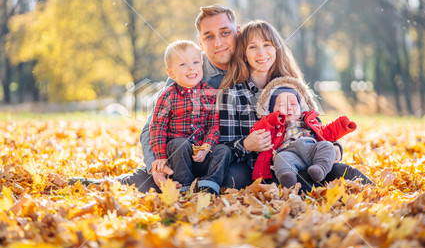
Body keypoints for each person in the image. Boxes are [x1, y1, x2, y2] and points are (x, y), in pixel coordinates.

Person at [70, 5, 251, 192]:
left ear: (237, 32)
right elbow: (152, 126)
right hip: (180, 154)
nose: (218, 42)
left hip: (220, 157)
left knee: (238, 178)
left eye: (225, 33)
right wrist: (155, 165)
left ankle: (205, 188)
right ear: (200, 42)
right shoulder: (184, 70)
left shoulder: (252, 64)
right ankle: (88, 185)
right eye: (209, 36)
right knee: (143, 183)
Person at [218, 19, 373, 193]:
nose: (261, 52)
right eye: (252, 47)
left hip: (307, 157)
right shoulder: (232, 94)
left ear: (277, 48)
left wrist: (335, 148)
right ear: (244, 54)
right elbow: (223, 147)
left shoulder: (291, 86)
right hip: (266, 166)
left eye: (267, 44)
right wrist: (246, 144)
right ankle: (303, 187)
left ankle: (376, 194)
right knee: (234, 178)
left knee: (343, 172)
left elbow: (315, 127)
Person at [149, 40, 231, 194]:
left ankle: (209, 184)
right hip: (179, 157)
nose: (191, 67)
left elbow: (214, 126)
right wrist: (160, 156)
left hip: (203, 153)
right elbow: (158, 127)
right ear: (171, 73)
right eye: (183, 64)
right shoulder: (168, 95)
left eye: (195, 62)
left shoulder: (210, 92)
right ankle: (184, 185)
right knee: (179, 144)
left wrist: (206, 147)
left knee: (224, 150)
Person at [252, 76, 358, 188]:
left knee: (327, 145)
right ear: (272, 110)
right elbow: (259, 128)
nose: (289, 108)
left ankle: (320, 169)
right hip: (289, 153)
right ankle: (287, 177)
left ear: (301, 107)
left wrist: (342, 125)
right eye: (282, 105)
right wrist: (271, 119)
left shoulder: (309, 122)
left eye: (293, 104)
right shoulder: (273, 126)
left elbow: (326, 132)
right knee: (280, 158)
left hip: (312, 150)